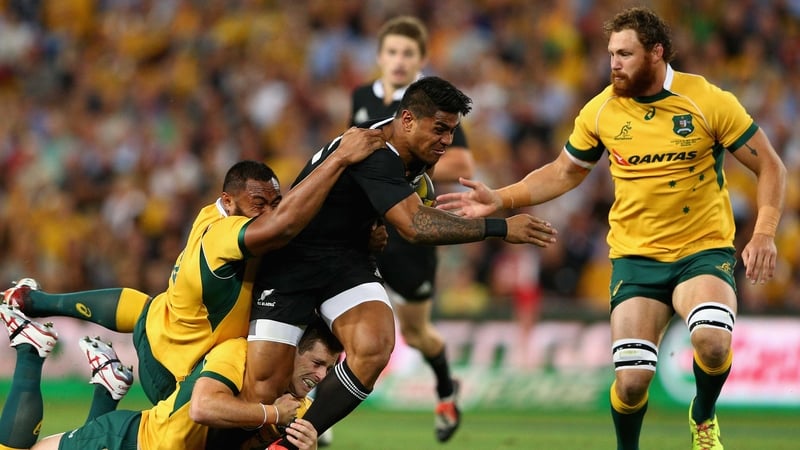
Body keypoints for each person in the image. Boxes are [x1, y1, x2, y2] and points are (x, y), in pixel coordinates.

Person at [435, 7, 787, 450]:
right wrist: (501, 198)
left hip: (702, 251)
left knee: (713, 342)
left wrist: (764, 232)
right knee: (633, 381)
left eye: (625, 53)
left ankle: (703, 418)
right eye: (610, 54)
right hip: (636, 260)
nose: (614, 63)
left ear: (656, 53)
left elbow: (770, 165)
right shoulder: (601, 110)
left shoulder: (707, 100)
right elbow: (565, 172)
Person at [242, 75, 558, 450]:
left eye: (452, 131)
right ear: (407, 120)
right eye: (439, 129)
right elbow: (413, 224)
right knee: (262, 393)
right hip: (292, 263)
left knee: (375, 346)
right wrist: (500, 228)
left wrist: (370, 229)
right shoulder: (376, 153)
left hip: (346, 260)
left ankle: (293, 443)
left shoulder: (414, 158)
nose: (446, 141)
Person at [1, 127, 384, 406]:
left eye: (274, 201)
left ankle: (35, 303)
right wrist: (337, 159)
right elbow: (284, 227)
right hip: (174, 371)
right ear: (229, 202)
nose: (268, 211)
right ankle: (104, 392)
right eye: (258, 203)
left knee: (152, 308)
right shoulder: (222, 235)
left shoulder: (219, 216)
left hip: (165, 326)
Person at [348, 16, 473, 442]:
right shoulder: (363, 98)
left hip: (411, 237)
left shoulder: (432, 107)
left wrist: (407, 160)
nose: (399, 60)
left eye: (408, 53)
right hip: (368, 232)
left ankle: (445, 392)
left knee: (417, 333)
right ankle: (314, 419)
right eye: (392, 52)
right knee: (334, 320)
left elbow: (462, 163)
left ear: (421, 59)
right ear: (380, 57)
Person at [0, 303, 341, 450]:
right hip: (130, 443)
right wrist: (272, 415)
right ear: (293, 348)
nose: (321, 375)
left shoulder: (295, 410)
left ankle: (108, 387)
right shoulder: (242, 354)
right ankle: (31, 352)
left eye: (329, 369)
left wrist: (303, 447)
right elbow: (203, 407)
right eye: (317, 362)